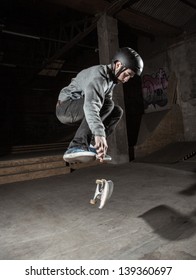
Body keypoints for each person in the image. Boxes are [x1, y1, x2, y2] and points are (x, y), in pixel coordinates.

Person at [56, 47, 144, 162]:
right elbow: (91, 106)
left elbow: (104, 108)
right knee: (107, 104)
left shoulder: (111, 81)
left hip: (78, 107)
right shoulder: (99, 77)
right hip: (66, 107)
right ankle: (76, 146)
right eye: (127, 74)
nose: (127, 79)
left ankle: (92, 145)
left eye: (130, 77)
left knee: (116, 111)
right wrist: (99, 133)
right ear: (118, 65)